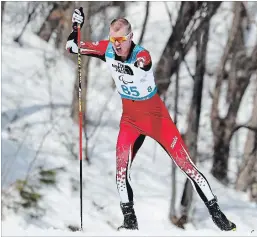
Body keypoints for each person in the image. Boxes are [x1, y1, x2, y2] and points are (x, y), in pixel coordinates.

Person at [66, 8, 236, 232]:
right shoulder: (107, 49)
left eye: (121, 39)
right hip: (130, 119)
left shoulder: (141, 55)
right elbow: (72, 47)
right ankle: (130, 221)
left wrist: (132, 66)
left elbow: (143, 63)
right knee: (120, 171)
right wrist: (76, 27)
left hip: (157, 119)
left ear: (131, 37)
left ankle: (217, 214)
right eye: (113, 39)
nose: (116, 44)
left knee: (187, 166)